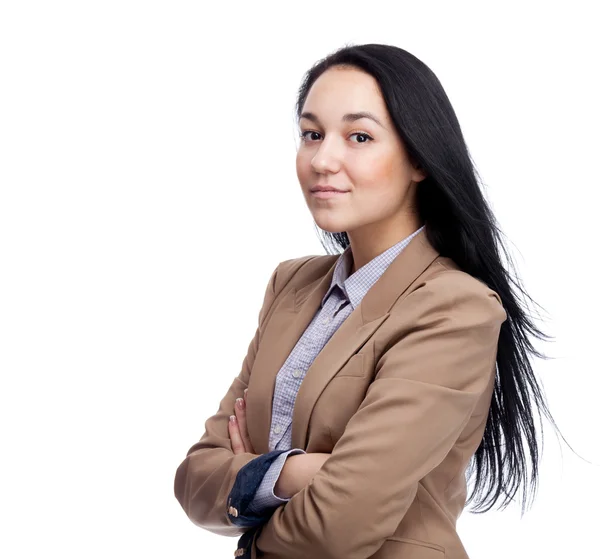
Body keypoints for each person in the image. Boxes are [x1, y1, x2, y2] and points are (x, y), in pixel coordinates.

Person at [173, 43, 561, 559]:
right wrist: (297, 471)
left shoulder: (455, 307)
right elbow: (194, 478)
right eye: (312, 134)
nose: (323, 159)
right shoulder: (291, 286)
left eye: (359, 137)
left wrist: (252, 492)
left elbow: (342, 522)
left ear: (420, 157)